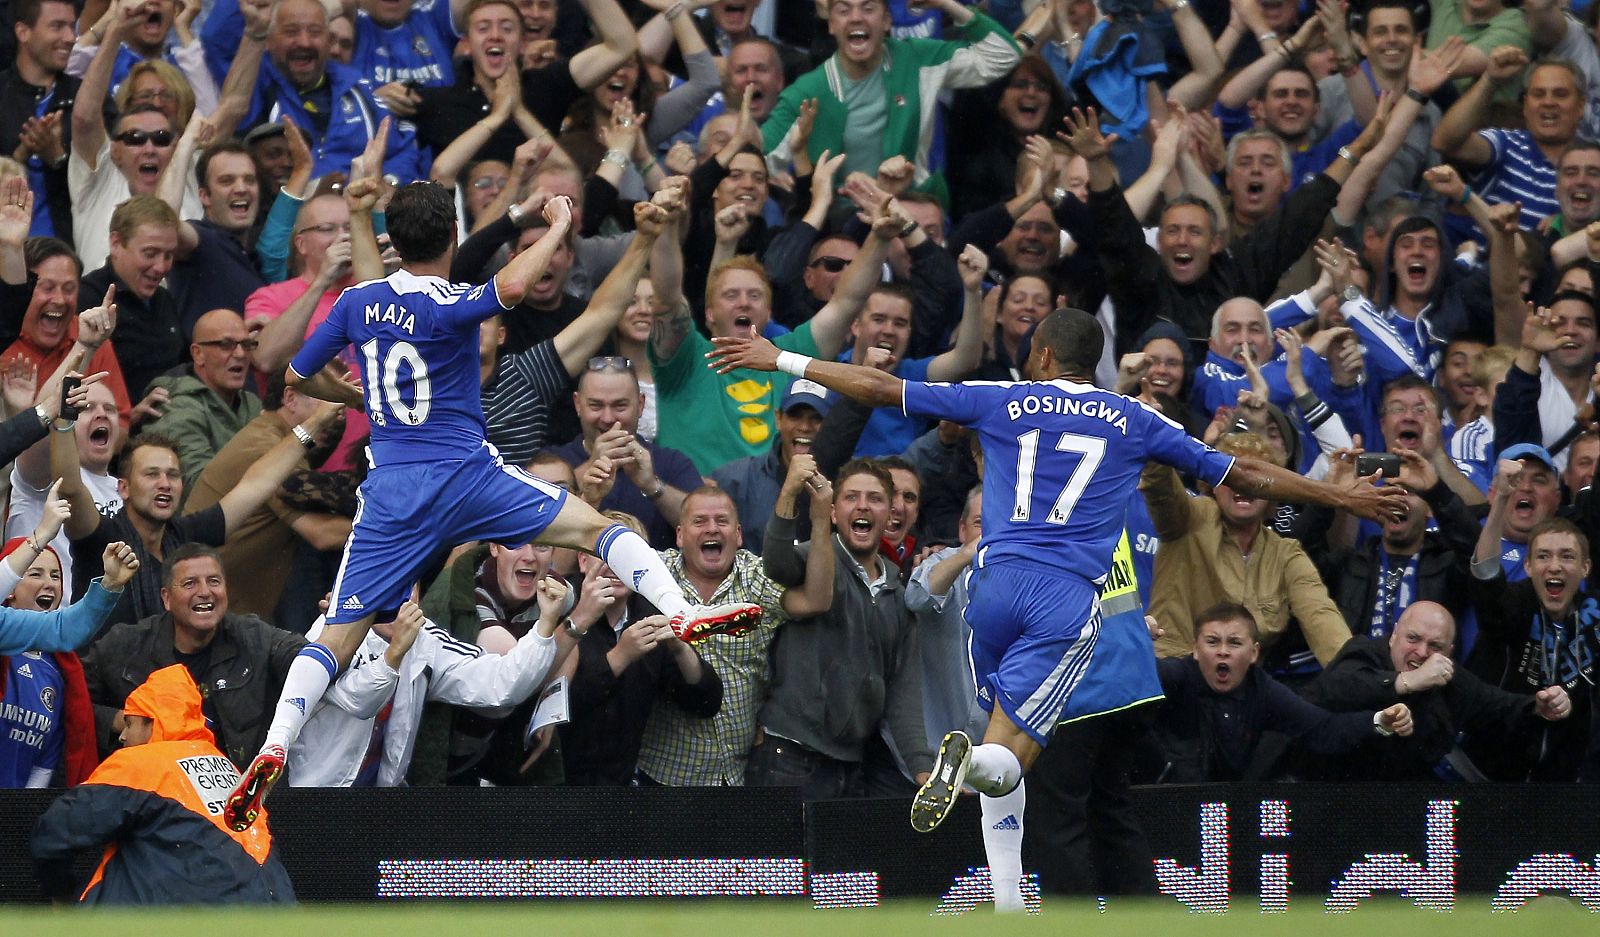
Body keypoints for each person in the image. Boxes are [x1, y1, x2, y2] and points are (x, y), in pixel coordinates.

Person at [704, 306, 1406, 838]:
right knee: (1013, 759)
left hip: (991, 586)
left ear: (1040, 355)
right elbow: (1245, 471)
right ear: (1091, 363)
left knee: (1001, 753)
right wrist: (1340, 493)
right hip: (1065, 599)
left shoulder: (1002, 398)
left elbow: (881, 386)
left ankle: (1005, 891)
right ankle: (971, 762)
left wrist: (783, 360)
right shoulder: (1133, 416)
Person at [227, 182, 760, 831]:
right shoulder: (455, 302)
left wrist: (366, 400)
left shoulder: (357, 301)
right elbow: (508, 286)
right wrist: (561, 224)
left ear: (393, 238)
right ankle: (682, 612)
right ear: (452, 238)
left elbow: (291, 372)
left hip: (394, 487)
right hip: (464, 474)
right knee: (593, 526)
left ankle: (277, 742)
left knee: (338, 631)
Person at [31, 664, 295, 904]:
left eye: (130, 724)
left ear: (152, 724)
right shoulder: (226, 766)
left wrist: (61, 894)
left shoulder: (142, 764)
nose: (121, 736)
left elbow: (55, 831)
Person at [1301, 601, 1574, 781]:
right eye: (1413, 638)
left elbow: (1496, 704)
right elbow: (1333, 688)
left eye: (1435, 646)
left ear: (1449, 653)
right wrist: (1407, 681)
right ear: (1394, 634)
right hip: (1333, 787)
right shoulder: (1364, 651)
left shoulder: (1449, 676)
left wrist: (1539, 706)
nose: (1421, 652)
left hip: (1406, 800)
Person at [1148, 603, 1412, 783]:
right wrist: (1135, 642)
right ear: (1195, 649)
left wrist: (1378, 722)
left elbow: (1324, 729)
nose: (1223, 651)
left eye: (1235, 643)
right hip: (1168, 806)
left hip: (1229, 812)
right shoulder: (1177, 676)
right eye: (1212, 642)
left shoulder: (1262, 690)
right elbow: (1128, 682)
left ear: (1254, 653)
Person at [186, 373, 351, 622]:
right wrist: (410, 527)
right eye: (325, 396)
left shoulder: (272, 434)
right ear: (290, 398)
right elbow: (322, 535)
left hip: (229, 606)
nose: (335, 407)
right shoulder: (268, 448)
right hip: (210, 611)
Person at [142, 308, 264, 489]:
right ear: (198, 354)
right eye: (226, 344)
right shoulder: (175, 407)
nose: (240, 354)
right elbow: (201, 485)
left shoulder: (252, 403)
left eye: (246, 344)